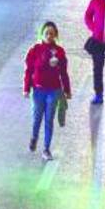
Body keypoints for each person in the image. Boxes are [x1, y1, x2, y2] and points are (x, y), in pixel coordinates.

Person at [22, 23, 69, 161]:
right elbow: (29, 71)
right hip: (38, 90)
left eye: (52, 33)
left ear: (56, 35)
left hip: (54, 90)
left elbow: (64, 73)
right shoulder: (35, 50)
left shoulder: (59, 52)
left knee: (49, 120)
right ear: (42, 34)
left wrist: (67, 90)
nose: (49, 36)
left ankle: (46, 149)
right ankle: (34, 137)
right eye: (47, 33)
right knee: (37, 117)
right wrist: (26, 88)